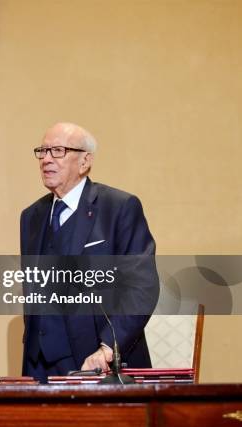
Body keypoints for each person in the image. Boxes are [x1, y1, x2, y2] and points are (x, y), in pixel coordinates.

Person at [20, 122, 157, 383]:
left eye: (57, 150)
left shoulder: (119, 208)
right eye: (43, 151)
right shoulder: (31, 217)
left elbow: (142, 287)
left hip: (95, 361)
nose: (46, 159)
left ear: (85, 162)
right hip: (39, 367)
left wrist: (107, 348)